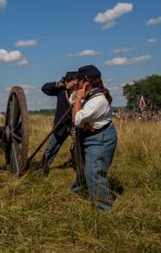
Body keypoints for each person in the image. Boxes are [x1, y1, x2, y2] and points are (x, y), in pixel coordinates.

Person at [71, 64, 117, 211]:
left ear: (86, 82)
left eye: (78, 80)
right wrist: (78, 97)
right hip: (89, 136)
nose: (76, 83)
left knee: (94, 172)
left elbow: (77, 119)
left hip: (100, 139)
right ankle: (78, 192)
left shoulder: (98, 100)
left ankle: (104, 209)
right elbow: (72, 99)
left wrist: (78, 99)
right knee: (82, 167)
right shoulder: (89, 95)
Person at [39, 71, 78, 174]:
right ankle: (43, 167)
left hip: (76, 125)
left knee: (79, 148)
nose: (65, 83)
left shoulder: (82, 91)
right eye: (65, 81)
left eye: (67, 81)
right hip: (62, 125)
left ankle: (78, 166)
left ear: (74, 81)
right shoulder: (61, 90)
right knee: (51, 147)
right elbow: (44, 88)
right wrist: (56, 83)